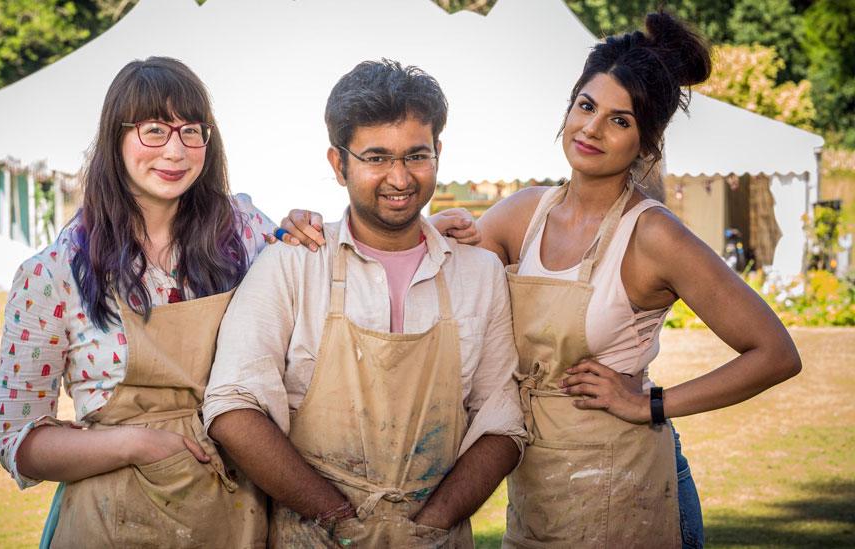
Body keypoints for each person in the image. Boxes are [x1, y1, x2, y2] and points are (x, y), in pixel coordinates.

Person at [468, 12, 802, 548]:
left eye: (620, 121)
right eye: (586, 106)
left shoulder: (652, 236)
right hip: (537, 492)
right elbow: (436, 274)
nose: (592, 129)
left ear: (646, 143)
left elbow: (776, 353)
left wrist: (651, 404)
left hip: (630, 491)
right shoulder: (521, 214)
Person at [204, 59, 525, 547]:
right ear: (339, 165)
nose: (399, 178)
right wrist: (338, 519)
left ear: (438, 152)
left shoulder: (478, 274)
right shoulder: (294, 263)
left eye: (416, 156)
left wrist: (430, 526)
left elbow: (501, 423)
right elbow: (232, 407)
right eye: (376, 158)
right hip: (312, 536)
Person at [0, 56, 304, 547]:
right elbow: (17, 441)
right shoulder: (52, 275)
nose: (175, 151)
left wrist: (418, 230)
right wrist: (138, 443)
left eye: (191, 130)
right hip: (113, 519)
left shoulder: (244, 231)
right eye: (154, 129)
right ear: (115, 138)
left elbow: (320, 279)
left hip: (237, 513)